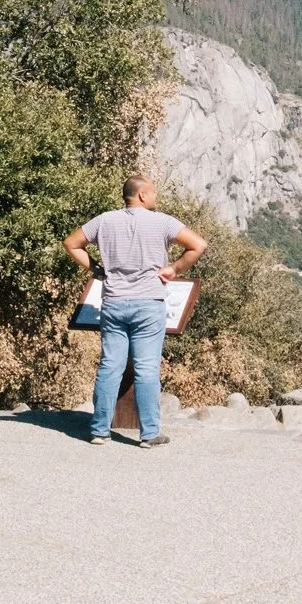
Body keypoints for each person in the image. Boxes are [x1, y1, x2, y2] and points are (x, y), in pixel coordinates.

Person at [62, 175, 206, 446]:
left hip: (114, 302)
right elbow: (199, 245)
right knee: (147, 369)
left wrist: (95, 269)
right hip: (148, 303)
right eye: (153, 192)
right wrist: (174, 269)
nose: (156, 197)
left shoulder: (104, 220)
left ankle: (99, 430)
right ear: (141, 195)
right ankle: (149, 433)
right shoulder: (163, 221)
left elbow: (71, 243)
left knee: (110, 366)